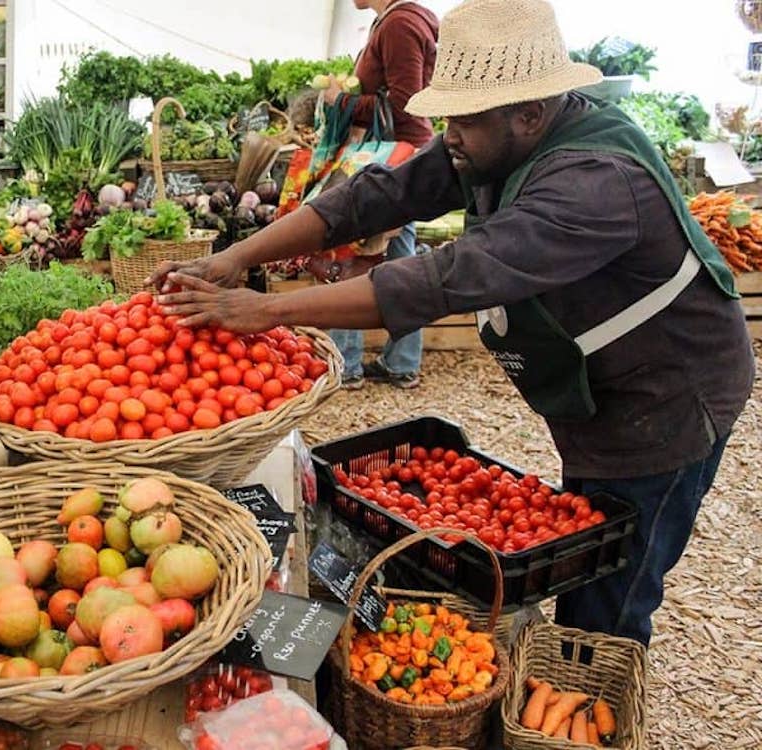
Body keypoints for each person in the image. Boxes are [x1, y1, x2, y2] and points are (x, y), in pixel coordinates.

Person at [153, 0, 755, 647]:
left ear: (530, 113)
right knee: (585, 540)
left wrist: (264, 310)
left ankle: (593, 693)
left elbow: (448, 277)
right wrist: (235, 259)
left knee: (610, 593)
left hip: (665, 399)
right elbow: (374, 198)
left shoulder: (594, 182)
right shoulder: (495, 140)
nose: (449, 133)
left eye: (463, 118)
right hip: (604, 385)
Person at [325, 0, 438, 390]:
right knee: (401, 255)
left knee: (352, 246)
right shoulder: (397, 20)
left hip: (389, 155)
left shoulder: (400, 24)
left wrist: (342, 100)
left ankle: (345, 363)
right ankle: (401, 362)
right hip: (401, 154)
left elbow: (406, 101)